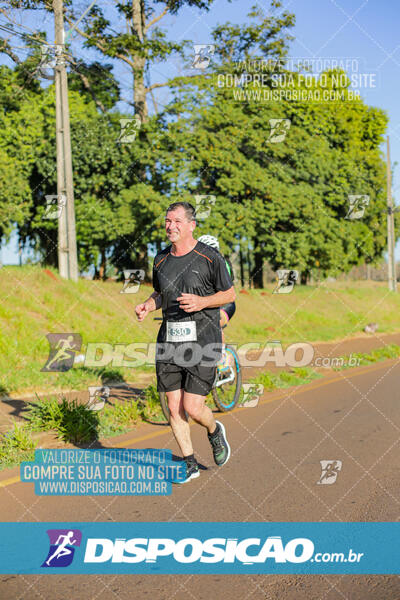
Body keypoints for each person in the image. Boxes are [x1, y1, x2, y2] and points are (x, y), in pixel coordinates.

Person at [135, 202, 235, 483]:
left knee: (192, 407)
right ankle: (189, 462)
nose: (171, 226)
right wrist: (147, 305)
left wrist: (202, 302)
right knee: (173, 404)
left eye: (177, 221)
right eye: (167, 221)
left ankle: (214, 431)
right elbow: (159, 294)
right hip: (169, 341)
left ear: (191, 225)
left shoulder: (210, 257)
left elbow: (229, 294)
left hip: (203, 341)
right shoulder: (160, 259)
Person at [197, 235, 236, 371]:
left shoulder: (223, 263)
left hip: (225, 304)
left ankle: (223, 355)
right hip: (207, 304)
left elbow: (227, 289)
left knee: (215, 322)